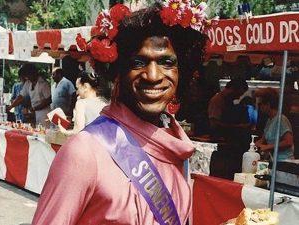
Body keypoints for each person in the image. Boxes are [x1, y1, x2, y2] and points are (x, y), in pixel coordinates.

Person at [32, 2, 212, 224]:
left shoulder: (177, 149)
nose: (153, 76)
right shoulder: (86, 152)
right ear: (118, 72)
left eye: (166, 62)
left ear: (181, 72)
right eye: (138, 62)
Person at [207, 78, 251, 179]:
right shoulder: (217, 101)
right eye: (239, 94)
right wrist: (237, 127)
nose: (239, 97)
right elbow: (214, 123)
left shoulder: (229, 102)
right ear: (232, 89)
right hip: (220, 143)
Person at [58, 71, 108, 136]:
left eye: (78, 88)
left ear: (85, 87)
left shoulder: (81, 103)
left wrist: (64, 131)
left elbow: (78, 132)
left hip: (89, 143)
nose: (77, 92)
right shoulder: (105, 102)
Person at [255, 87, 295, 161]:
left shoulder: (281, 119)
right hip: (274, 161)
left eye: (260, 104)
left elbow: (289, 141)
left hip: (284, 162)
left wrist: (268, 146)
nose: (258, 107)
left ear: (268, 104)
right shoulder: (269, 120)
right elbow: (262, 140)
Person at [8, 63, 51, 128]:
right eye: (26, 76)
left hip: (44, 114)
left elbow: (49, 100)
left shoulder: (43, 84)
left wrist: (34, 108)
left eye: (28, 75)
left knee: (43, 132)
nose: (27, 78)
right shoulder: (28, 83)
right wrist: (11, 106)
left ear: (34, 73)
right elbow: (20, 97)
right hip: (34, 114)